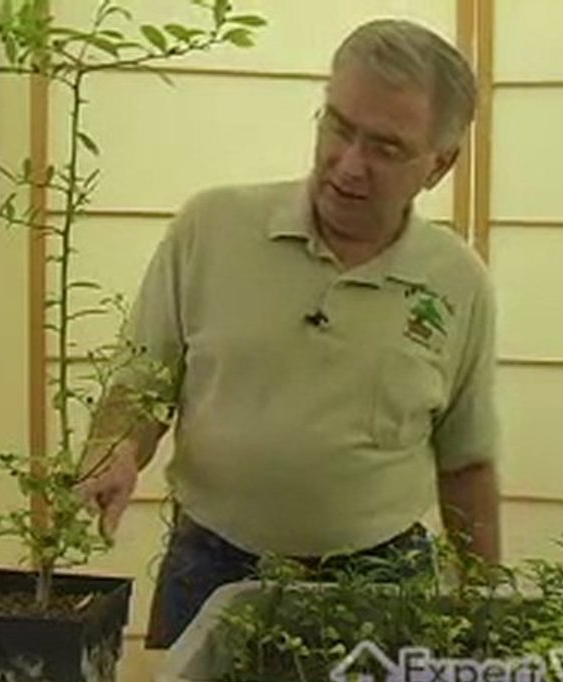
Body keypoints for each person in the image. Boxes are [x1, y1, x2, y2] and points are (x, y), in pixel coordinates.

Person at [77, 18, 500, 649]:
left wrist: (489, 610)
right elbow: (141, 384)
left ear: (440, 165)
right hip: (212, 568)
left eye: (385, 148)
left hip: (382, 582)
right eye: (339, 127)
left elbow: (466, 462)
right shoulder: (210, 229)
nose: (348, 165)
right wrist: (113, 451)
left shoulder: (457, 281)